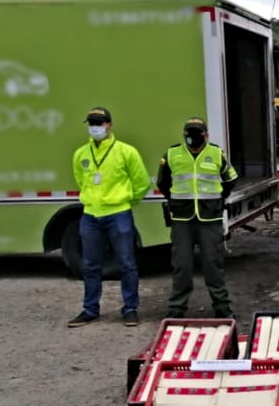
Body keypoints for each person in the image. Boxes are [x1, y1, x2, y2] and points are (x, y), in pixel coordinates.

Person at [68, 107, 151, 328]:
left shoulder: (126, 152)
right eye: (91, 123)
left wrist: (125, 202)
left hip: (118, 214)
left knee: (126, 263)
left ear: (109, 125)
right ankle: (90, 309)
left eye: (99, 123)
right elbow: (81, 181)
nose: (95, 127)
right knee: (90, 266)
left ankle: (130, 309)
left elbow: (142, 183)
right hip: (90, 216)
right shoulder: (81, 154)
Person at [156, 116, 239, 319]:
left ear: (206, 135)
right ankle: (177, 308)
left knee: (213, 264)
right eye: (189, 134)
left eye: (197, 133)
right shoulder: (172, 154)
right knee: (182, 265)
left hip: (209, 218)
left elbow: (230, 179)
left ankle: (222, 307)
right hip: (182, 219)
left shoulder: (217, 154)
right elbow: (163, 182)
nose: (193, 137)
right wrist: (176, 201)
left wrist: (218, 200)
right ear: (184, 135)